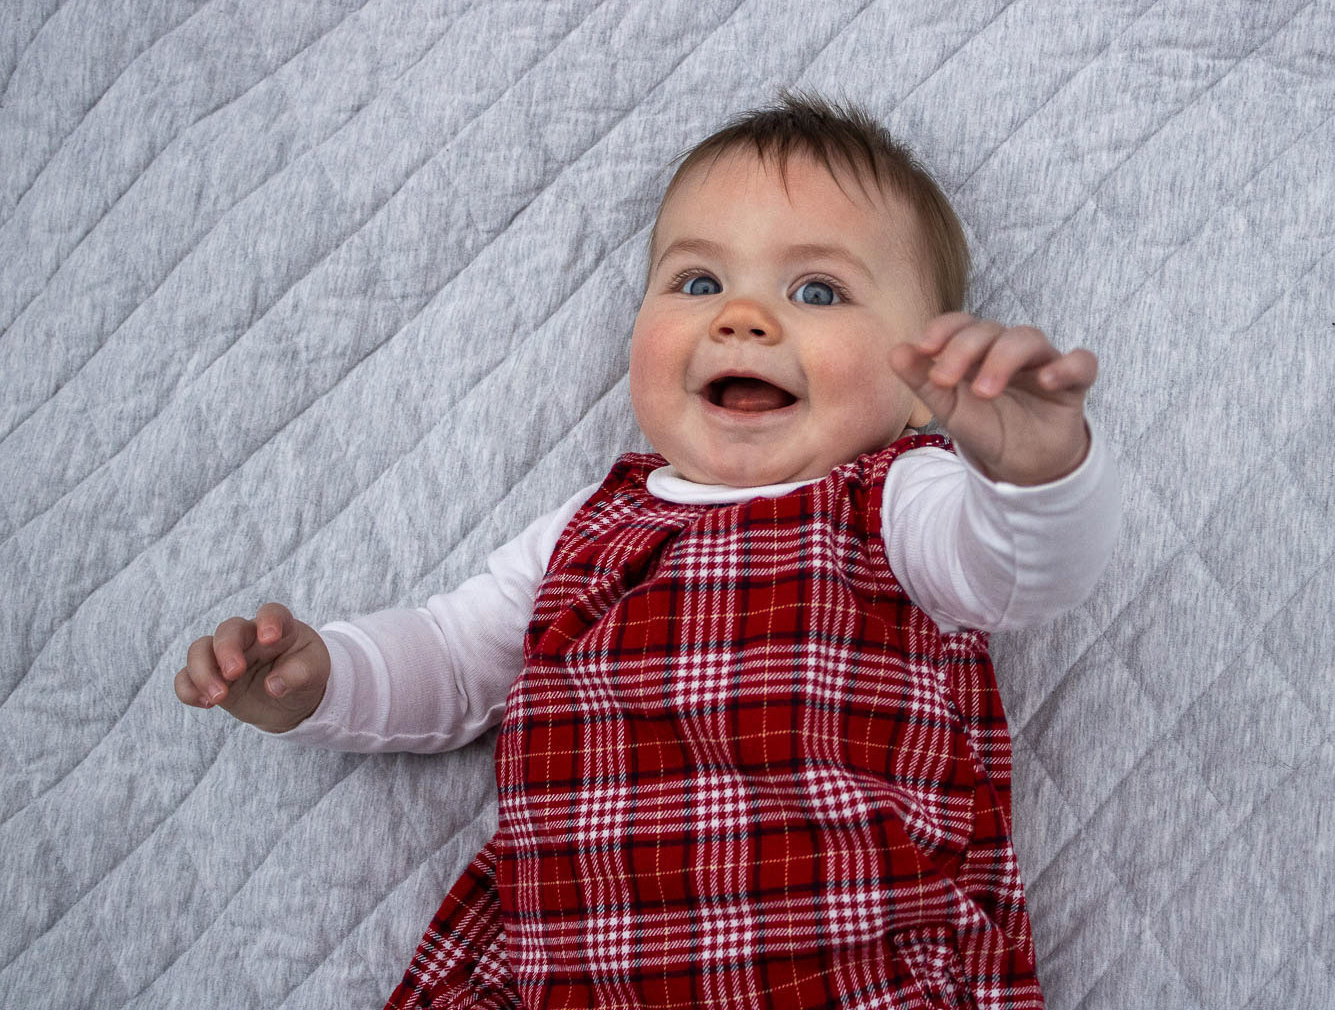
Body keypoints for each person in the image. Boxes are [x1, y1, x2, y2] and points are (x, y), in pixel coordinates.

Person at [175, 93, 1122, 1009]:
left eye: (817, 291)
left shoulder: (896, 500)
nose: (742, 317)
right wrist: (323, 680)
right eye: (698, 282)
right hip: (570, 968)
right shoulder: (588, 528)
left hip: (844, 965)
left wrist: (1032, 469)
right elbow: (454, 660)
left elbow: (1015, 572)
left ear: (922, 389)